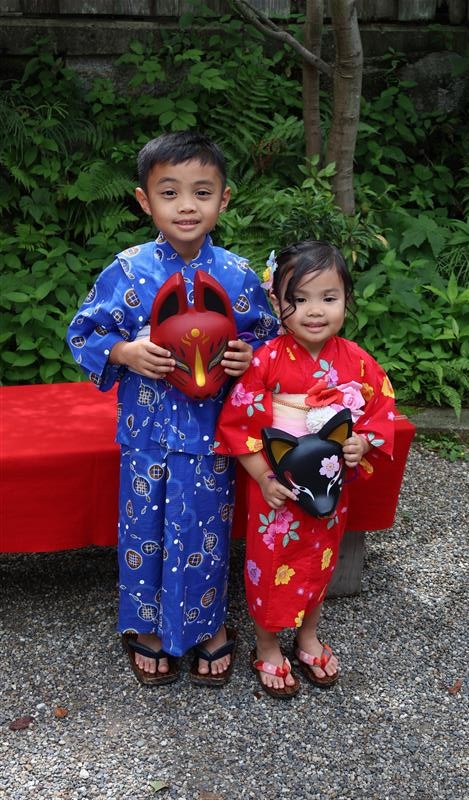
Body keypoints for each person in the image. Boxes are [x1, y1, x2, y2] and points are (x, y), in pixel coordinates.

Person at [67, 131, 277, 687]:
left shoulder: (236, 274)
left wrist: (247, 355)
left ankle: (206, 624)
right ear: (145, 200)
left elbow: (267, 338)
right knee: (145, 530)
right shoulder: (127, 270)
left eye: (201, 192)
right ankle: (149, 627)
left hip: (211, 435)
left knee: (206, 529)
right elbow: (83, 332)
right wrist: (124, 352)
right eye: (170, 192)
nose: (187, 206)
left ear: (223, 199)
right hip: (147, 434)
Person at [214, 240, 396, 698]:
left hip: (329, 486)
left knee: (320, 561)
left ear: (347, 301)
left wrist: (360, 442)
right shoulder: (265, 360)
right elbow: (238, 426)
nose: (315, 311)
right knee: (271, 563)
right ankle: (267, 644)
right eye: (299, 299)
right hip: (279, 486)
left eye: (328, 298)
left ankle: (308, 636)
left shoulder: (356, 361)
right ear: (277, 303)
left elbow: (381, 412)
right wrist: (263, 476)